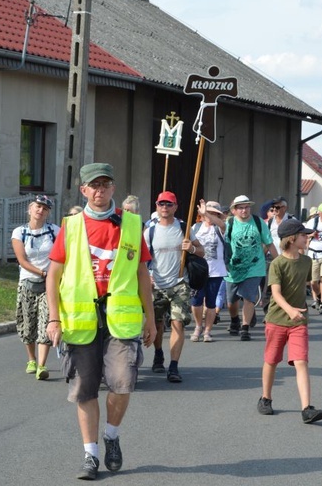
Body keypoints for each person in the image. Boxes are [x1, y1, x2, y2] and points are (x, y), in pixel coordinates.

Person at [45, 163, 156, 481]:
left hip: (121, 320)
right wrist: (54, 318)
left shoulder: (132, 224)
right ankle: (90, 455)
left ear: (113, 188)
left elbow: (142, 275)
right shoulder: (72, 225)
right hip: (81, 321)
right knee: (85, 390)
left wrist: (150, 319)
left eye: (105, 184)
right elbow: (53, 275)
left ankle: (111, 435)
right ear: (84, 190)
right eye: (94, 185)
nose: (100, 190)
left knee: (122, 385)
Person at [257, 218, 322, 424]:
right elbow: (275, 293)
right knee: (271, 360)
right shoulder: (277, 264)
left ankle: (306, 408)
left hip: (299, 322)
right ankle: (266, 398)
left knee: (301, 361)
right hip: (277, 319)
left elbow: (305, 283)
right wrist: (290, 310)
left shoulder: (307, 261)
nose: (308, 237)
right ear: (292, 238)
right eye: (304, 235)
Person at [145, 190, 205, 382]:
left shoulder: (184, 227)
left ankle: (173, 367)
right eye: (161, 204)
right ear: (156, 206)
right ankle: (158, 352)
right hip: (157, 285)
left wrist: (192, 249)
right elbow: (141, 259)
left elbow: (201, 251)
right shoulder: (150, 230)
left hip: (180, 283)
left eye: (169, 204)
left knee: (177, 323)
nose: (165, 207)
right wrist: (147, 276)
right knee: (157, 323)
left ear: (175, 207)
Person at [11, 195, 60, 380]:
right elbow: (22, 260)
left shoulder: (54, 231)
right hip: (28, 282)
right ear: (30, 209)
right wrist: (42, 273)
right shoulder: (19, 232)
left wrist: (52, 275)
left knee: (46, 322)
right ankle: (31, 359)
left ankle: (42, 365)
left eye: (45, 209)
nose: (41, 211)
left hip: (49, 285)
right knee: (27, 324)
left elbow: (62, 254)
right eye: (38, 207)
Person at [224, 195, 278, 341]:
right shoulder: (229, 223)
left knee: (249, 298)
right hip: (234, 268)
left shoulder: (258, 222)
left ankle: (245, 328)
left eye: (246, 207)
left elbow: (269, 243)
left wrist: (279, 262)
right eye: (240, 207)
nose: (244, 210)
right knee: (231, 301)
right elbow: (224, 245)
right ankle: (235, 320)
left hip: (254, 266)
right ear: (234, 210)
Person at [190, 200, 227, 343]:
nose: (209, 216)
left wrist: (206, 213)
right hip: (199, 271)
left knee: (211, 302)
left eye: (213, 214)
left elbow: (223, 225)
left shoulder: (221, 228)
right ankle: (198, 326)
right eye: (208, 213)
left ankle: (207, 331)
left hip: (216, 271)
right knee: (196, 301)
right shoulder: (196, 227)